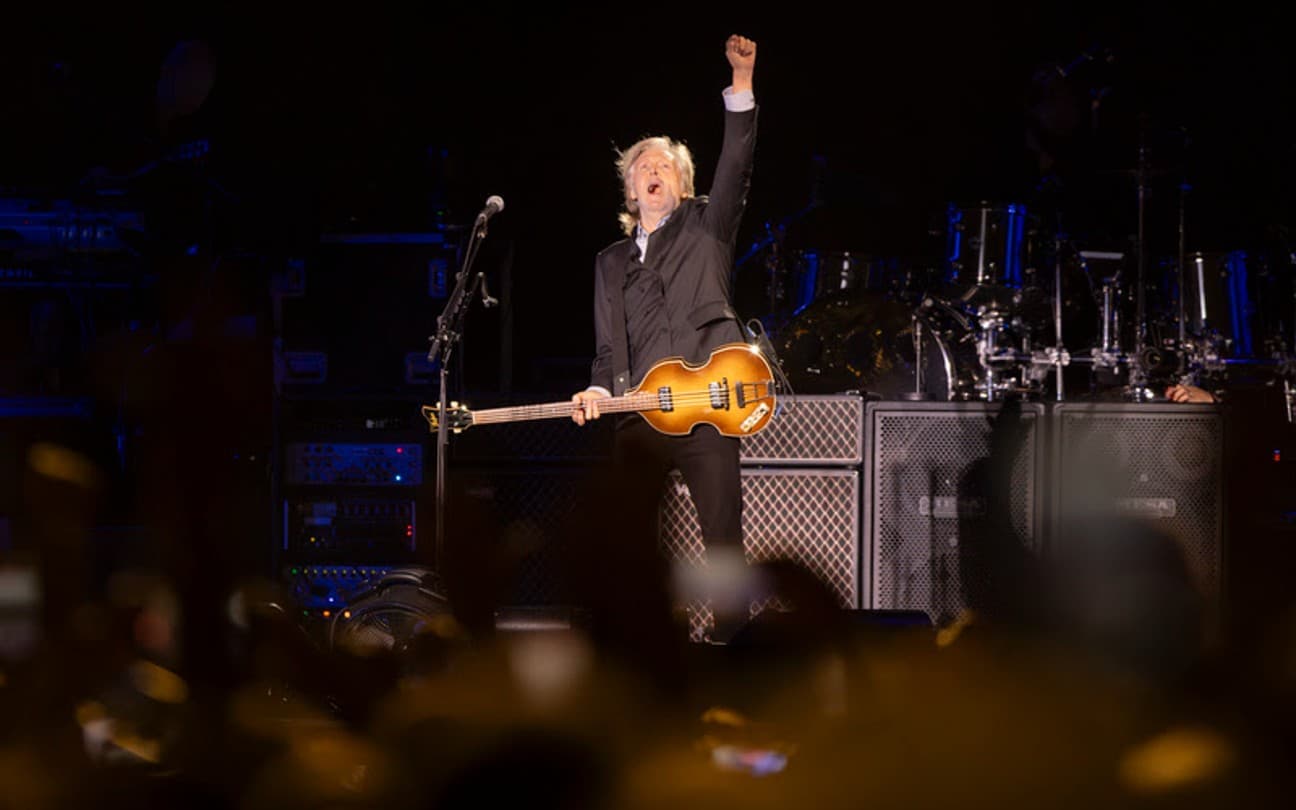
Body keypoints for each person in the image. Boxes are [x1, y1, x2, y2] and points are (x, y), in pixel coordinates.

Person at [569, 34, 758, 644]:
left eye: (664, 166)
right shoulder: (608, 262)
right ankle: (642, 645)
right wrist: (597, 390)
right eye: (642, 167)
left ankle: (732, 643)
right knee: (630, 537)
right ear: (629, 191)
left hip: (707, 406)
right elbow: (606, 349)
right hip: (639, 411)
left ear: (683, 183)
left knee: (722, 531)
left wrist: (742, 83)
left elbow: (736, 164)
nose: (653, 171)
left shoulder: (709, 228)